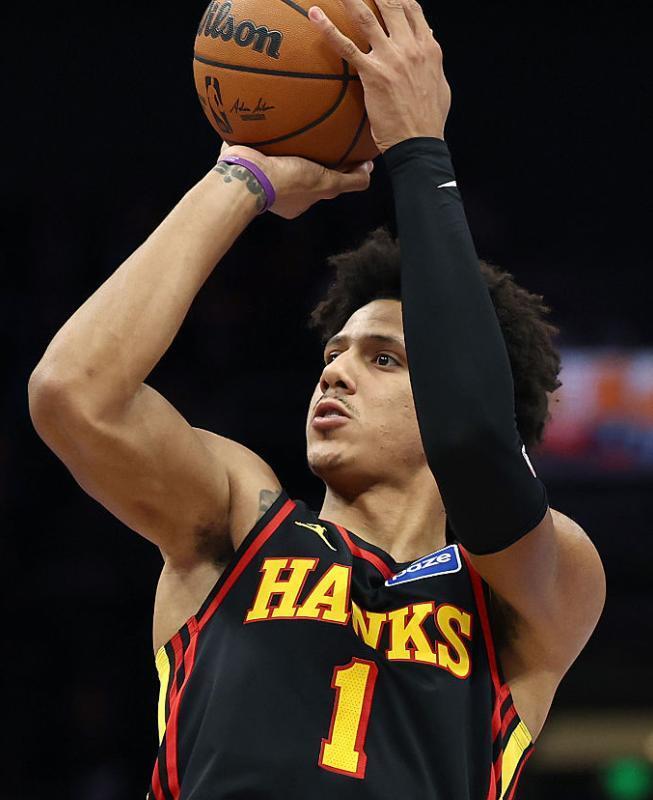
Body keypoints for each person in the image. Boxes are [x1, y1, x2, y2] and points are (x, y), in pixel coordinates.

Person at [28, 0, 606, 797]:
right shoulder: (238, 519)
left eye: (383, 359)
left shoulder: (537, 581)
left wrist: (418, 150)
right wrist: (243, 177)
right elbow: (72, 393)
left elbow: (472, 439)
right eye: (333, 354)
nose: (334, 374)